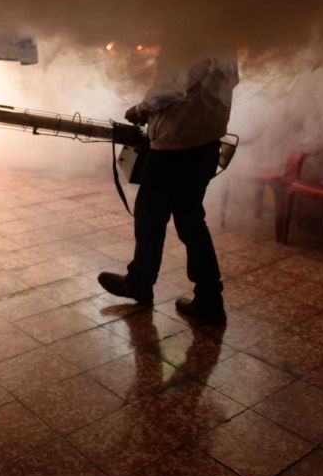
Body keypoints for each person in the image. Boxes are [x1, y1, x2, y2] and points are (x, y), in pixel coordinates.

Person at [98, 47, 238, 325]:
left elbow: (172, 88)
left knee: (153, 216)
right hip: (205, 143)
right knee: (189, 220)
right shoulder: (225, 32)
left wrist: (141, 109)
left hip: (177, 143)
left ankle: (141, 282)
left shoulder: (189, 32)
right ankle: (208, 297)